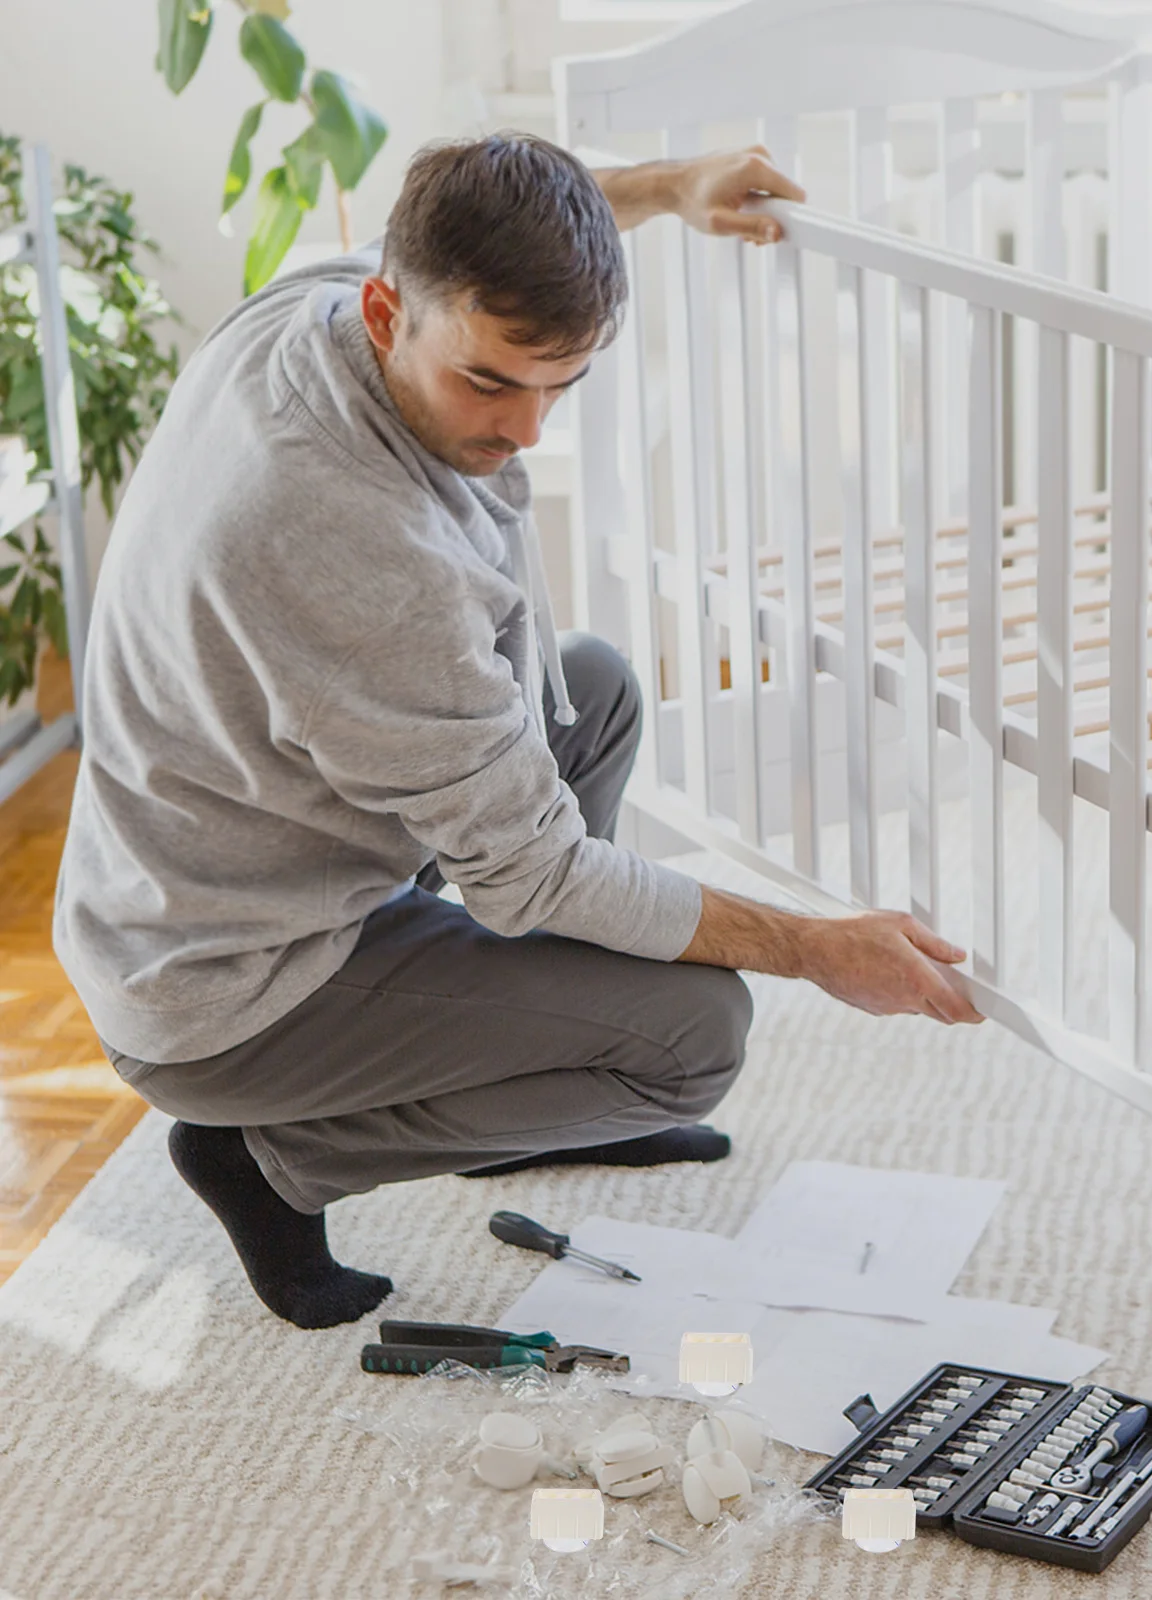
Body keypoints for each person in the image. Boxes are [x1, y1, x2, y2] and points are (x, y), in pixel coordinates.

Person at [52, 133, 984, 1331]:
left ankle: (507, 1083)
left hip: (239, 859)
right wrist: (811, 944)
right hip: (228, 982)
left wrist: (665, 187)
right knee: (695, 1035)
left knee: (587, 690)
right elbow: (535, 870)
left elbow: (499, 223)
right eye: (491, 383)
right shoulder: (351, 539)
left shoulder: (329, 305)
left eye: (564, 384)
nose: (528, 431)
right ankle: (272, 1161)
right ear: (389, 311)